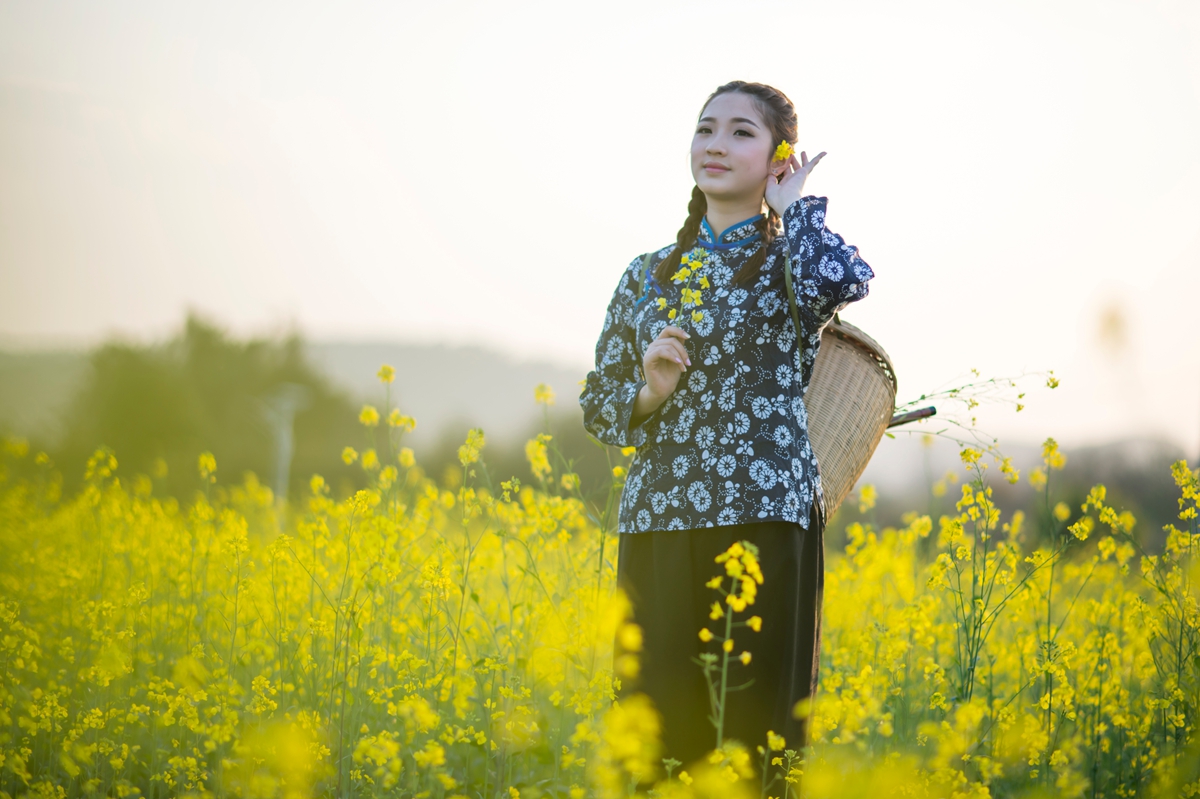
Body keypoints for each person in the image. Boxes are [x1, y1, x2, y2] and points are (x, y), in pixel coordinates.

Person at [578, 80, 875, 779]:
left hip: (766, 517)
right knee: (656, 737)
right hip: (660, 518)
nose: (715, 143)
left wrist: (791, 207)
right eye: (705, 128)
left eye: (741, 132)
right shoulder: (648, 274)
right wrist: (649, 391)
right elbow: (597, 406)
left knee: (756, 738)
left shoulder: (791, 260)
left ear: (779, 156)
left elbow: (846, 277)